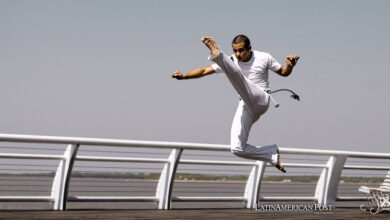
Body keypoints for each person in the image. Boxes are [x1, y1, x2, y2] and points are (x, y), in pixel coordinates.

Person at [171, 35, 299, 173]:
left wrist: (290, 66)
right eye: (235, 50)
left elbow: (284, 72)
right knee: (237, 148)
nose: (237, 54)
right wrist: (184, 76)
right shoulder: (232, 60)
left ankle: (218, 54)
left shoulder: (263, 57)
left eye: (241, 50)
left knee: (234, 73)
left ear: (249, 48)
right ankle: (271, 154)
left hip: (261, 98)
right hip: (246, 105)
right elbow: (205, 70)